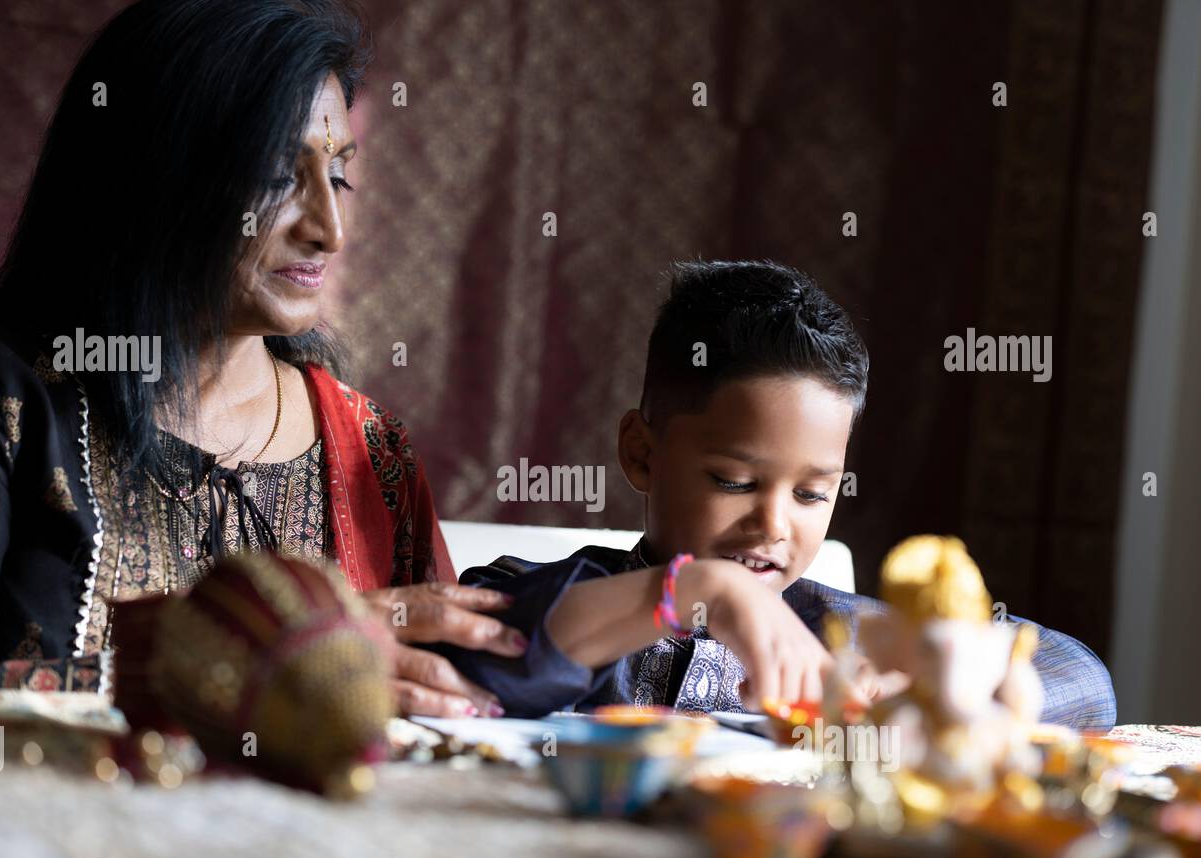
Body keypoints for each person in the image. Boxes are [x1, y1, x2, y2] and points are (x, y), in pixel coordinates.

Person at [0, 0, 520, 717]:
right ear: (150, 171)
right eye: (276, 173)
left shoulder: (370, 451)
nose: (330, 228)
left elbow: (440, 708)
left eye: (339, 176)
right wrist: (218, 661)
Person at [426, 260, 1118, 730]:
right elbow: (476, 661)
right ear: (641, 451)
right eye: (735, 481)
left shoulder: (842, 633)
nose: (773, 523)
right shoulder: (546, 594)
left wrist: (944, 686)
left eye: (813, 493)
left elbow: (1086, 681)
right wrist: (695, 590)